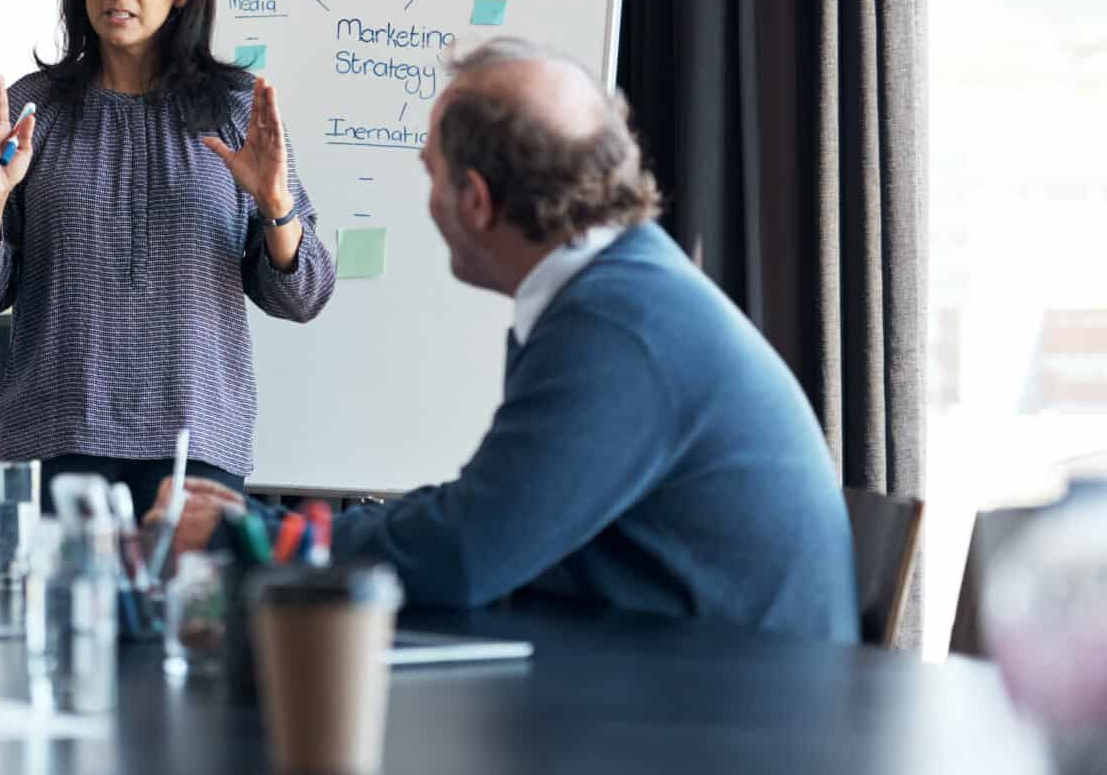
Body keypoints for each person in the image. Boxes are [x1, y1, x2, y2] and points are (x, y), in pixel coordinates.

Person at [195, 38, 857, 640]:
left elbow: (467, 550)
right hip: (694, 681)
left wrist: (255, 536)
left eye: (431, 174)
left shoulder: (619, 329)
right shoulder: (619, 289)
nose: (427, 198)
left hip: (735, 724)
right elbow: (493, 507)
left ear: (477, 201)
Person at [0, 0, 336, 519]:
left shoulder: (236, 110)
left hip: (195, 443)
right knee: (57, 621)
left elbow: (303, 294)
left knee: (188, 621)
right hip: (55, 436)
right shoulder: (32, 110)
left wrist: (274, 204)